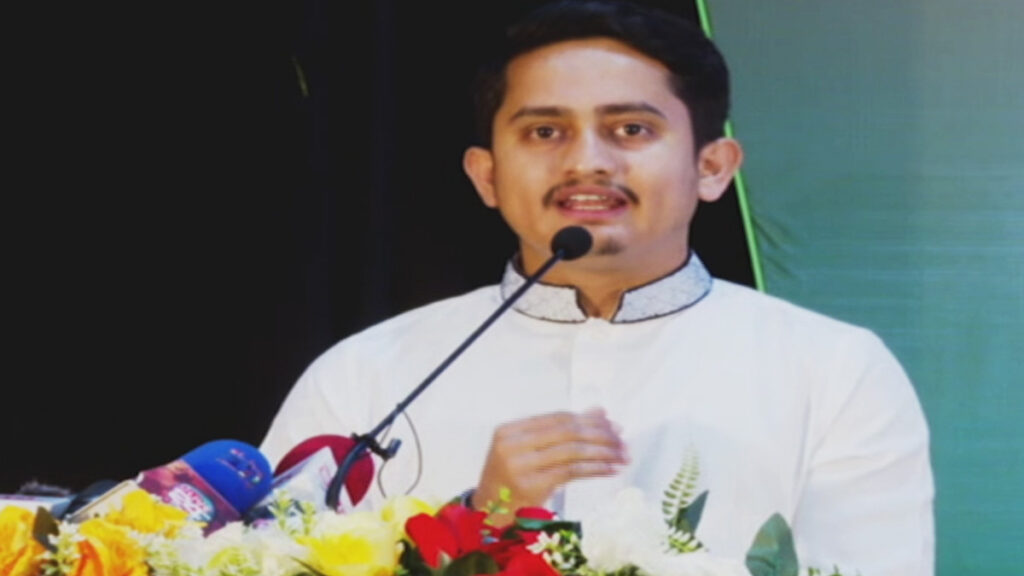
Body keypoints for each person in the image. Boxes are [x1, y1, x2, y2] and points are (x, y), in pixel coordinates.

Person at [260, 1, 934, 574]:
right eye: (545, 131)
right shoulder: (367, 376)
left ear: (712, 167)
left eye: (630, 129)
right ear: (486, 175)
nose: (586, 161)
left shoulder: (831, 372)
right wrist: (482, 523)